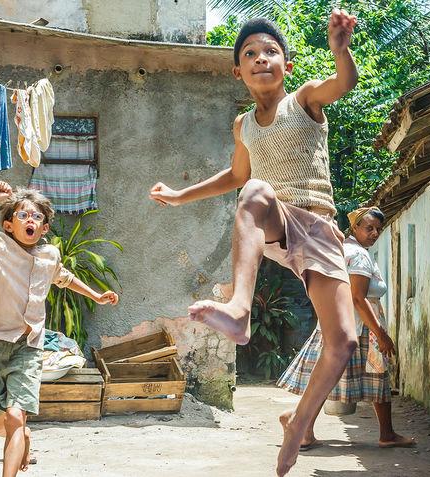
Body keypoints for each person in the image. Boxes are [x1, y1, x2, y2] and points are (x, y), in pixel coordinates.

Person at [149, 10, 359, 476]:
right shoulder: (242, 125)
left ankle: (298, 422)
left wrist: (340, 51)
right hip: (274, 221)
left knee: (343, 341)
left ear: (285, 63)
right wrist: (182, 195)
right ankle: (240, 308)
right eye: (250, 54)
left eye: (271, 52)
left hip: (319, 227)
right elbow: (239, 176)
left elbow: (343, 82)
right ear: (237, 71)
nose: (261, 58)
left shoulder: (303, 101)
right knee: (255, 190)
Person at [0, 181, 119, 477]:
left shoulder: (50, 255)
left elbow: (63, 277)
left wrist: (95, 295)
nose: (31, 220)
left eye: (37, 217)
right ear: (8, 224)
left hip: (28, 347)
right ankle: (23, 436)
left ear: (44, 229)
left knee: (16, 415)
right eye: (23, 215)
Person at [278, 206, 414, 451]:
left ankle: (302, 429)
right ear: (355, 228)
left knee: (325, 379)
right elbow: (358, 298)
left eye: (378, 230)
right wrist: (380, 334)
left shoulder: (343, 250)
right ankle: (387, 434)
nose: (374, 233)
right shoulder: (359, 256)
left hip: (336, 324)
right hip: (361, 328)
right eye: (368, 228)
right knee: (379, 379)